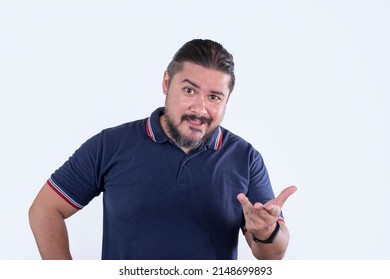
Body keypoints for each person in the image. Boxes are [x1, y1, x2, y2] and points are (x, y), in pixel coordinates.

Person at [29, 39, 297, 260]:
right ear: (167, 84)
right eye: (189, 90)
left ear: (227, 100)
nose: (200, 108)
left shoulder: (245, 158)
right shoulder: (111, 145)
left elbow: (273, 253)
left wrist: (267, 231)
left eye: (214, 97)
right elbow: (45, 210)